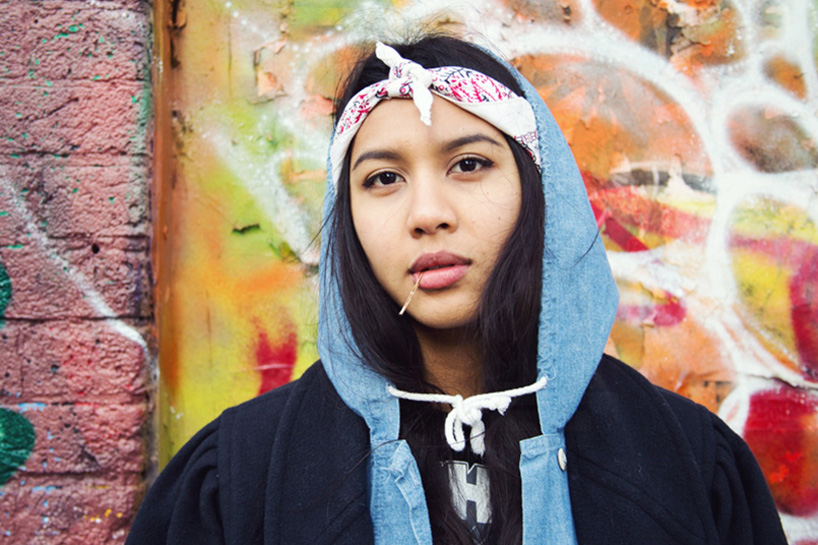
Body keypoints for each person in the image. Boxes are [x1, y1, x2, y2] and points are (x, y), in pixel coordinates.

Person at [126, 35, 788, 544]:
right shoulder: (243, 477)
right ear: (347, 217)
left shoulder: (686, 463)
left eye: (469, 164)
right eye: (383, 178)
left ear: (539, 191)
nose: (427, 212)